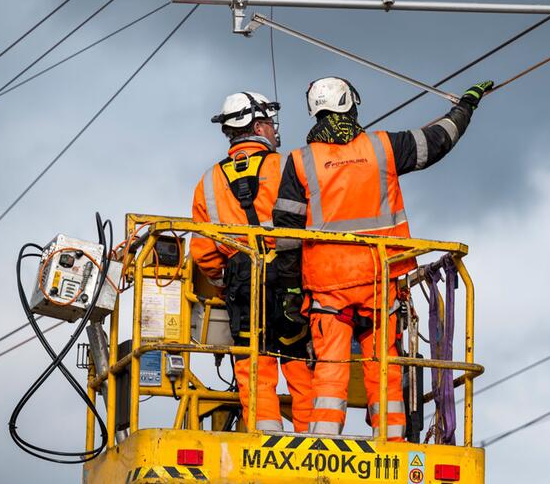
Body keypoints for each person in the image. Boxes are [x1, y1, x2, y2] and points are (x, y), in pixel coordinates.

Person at [272, 77, 492, 440]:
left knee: (330, 370)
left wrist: (290, 291)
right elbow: (438, 140)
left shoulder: (300, 162)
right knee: (385, 369)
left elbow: (286, 237)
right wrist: (465, 106)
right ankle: (392, 444)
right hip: (379, 285)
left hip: (328, 292)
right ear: (350, 104)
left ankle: (324, 446)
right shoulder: (383, 147)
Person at [190, 91, 314, 432]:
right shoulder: (287, 166)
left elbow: (203, 252)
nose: (275, 131)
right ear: (258, 125)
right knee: (301, 361)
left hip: (242, 280)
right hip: (290, 275)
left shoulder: (209, 182)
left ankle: (265, 436)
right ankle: (312, 437)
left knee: (252, 363)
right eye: (271, 124)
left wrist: (225, 281)